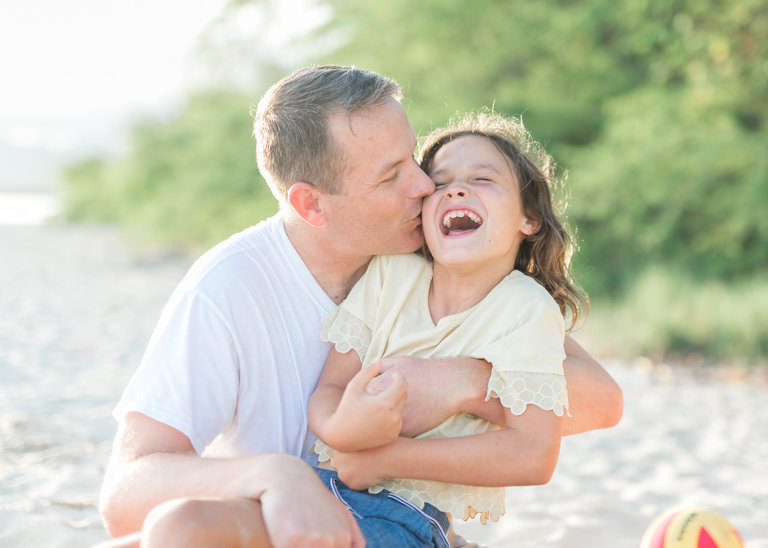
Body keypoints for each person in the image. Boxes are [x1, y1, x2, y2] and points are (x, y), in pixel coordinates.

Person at [98, 65, 622, 548]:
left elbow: (601, 400)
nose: (424, 185)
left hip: (400, 521)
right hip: (281, 517)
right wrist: (278, 474)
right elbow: (125, 494)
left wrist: (463, 381)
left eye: (414, 158)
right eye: (392, 175)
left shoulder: (431, 264)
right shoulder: (228, 289)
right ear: (311, 204)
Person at [306, 111, 585, 547]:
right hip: (318, 486)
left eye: (483, 180)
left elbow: (534, 455)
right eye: (439, 183)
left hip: (413, 517)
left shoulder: (527, 311)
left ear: (528, 218)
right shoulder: (390, 275)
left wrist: (386, 459)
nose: (456, 188)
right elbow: (330, 388)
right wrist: (342, 431)